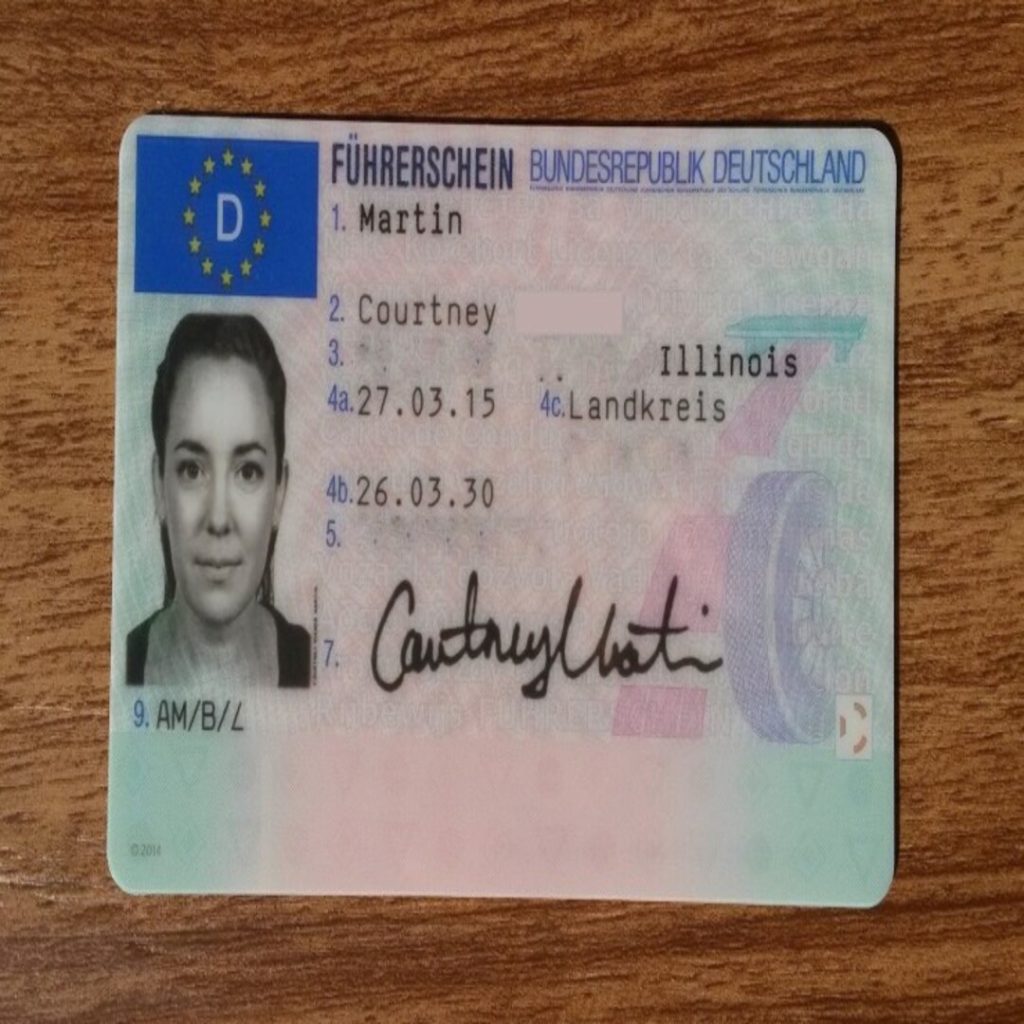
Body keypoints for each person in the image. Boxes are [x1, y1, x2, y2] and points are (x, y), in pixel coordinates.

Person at [126, 313, 310, 687]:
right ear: (159, 485)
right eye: (192, 470)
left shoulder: (312, 663)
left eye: (248, 472)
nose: (219, 518)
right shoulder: (120, 664)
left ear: (279, 492)